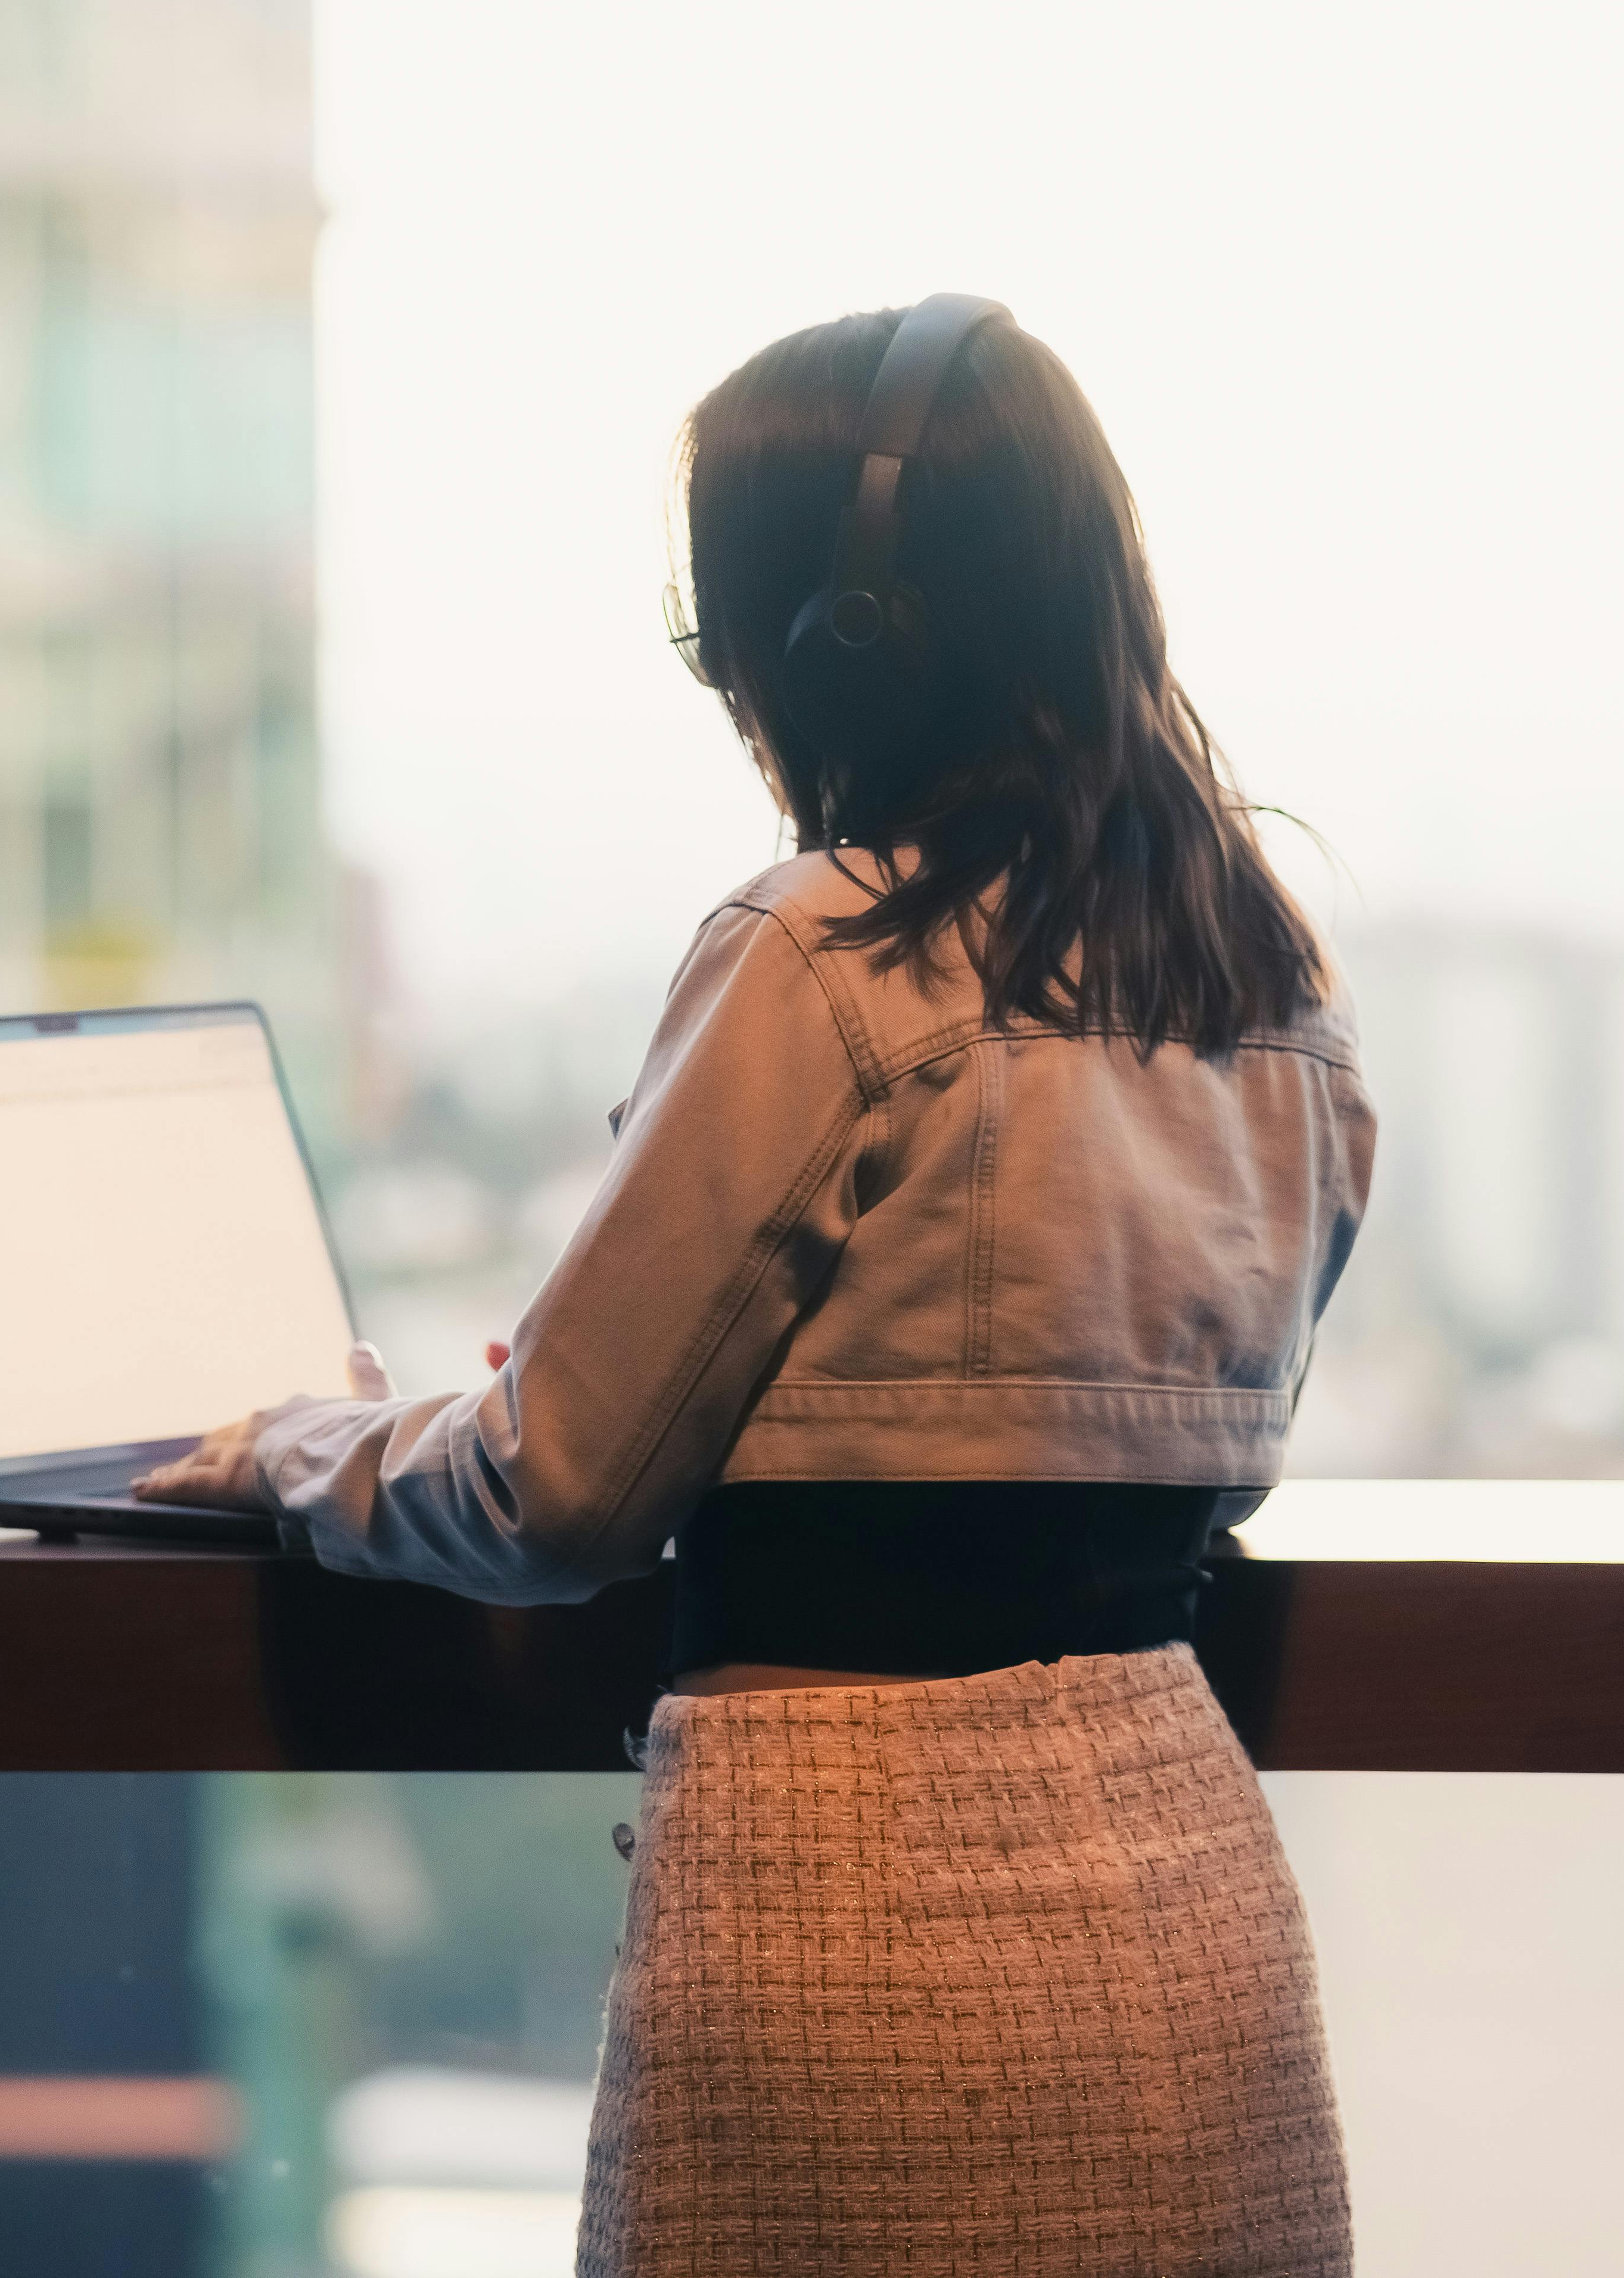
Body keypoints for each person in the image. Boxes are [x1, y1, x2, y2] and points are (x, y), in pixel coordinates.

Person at [133, 297, 1374, 2277]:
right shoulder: (1266, 990)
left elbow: (558, 1498)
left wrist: (305, 1445)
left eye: (724, 635)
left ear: (846, 640)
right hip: (1185, 1901)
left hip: (849, 1902)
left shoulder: (827, 956)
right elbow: (1169, 1479)